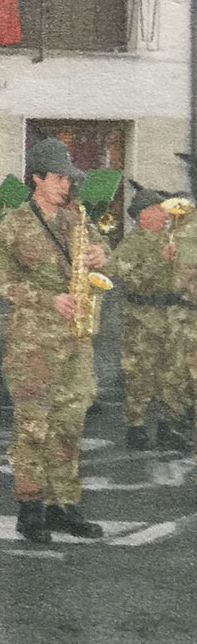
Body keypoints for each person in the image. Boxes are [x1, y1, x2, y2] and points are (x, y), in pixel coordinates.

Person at [0, 138, 106, 543]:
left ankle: (63, 503)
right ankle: (31, 507)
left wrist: (101, 258)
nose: (65, 185)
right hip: (33, 341)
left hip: (76, 338)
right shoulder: (12, 224)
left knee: (70, 423)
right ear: (35, 178)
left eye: (68, 179)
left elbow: (109, 259)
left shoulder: (79, 219)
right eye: (57, 178)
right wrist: (46, 298)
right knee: (33, 426)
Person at [109, 186, 192, 450]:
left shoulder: (171, 238)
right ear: (143, 215)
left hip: (171, 316)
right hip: (142, 319)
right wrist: (159, 260)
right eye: (158, 210)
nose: (165, 215)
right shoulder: (131, 244)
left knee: (172, 375)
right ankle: (136, 427)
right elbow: (131, 280)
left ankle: (168, 426)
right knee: (141, 374)